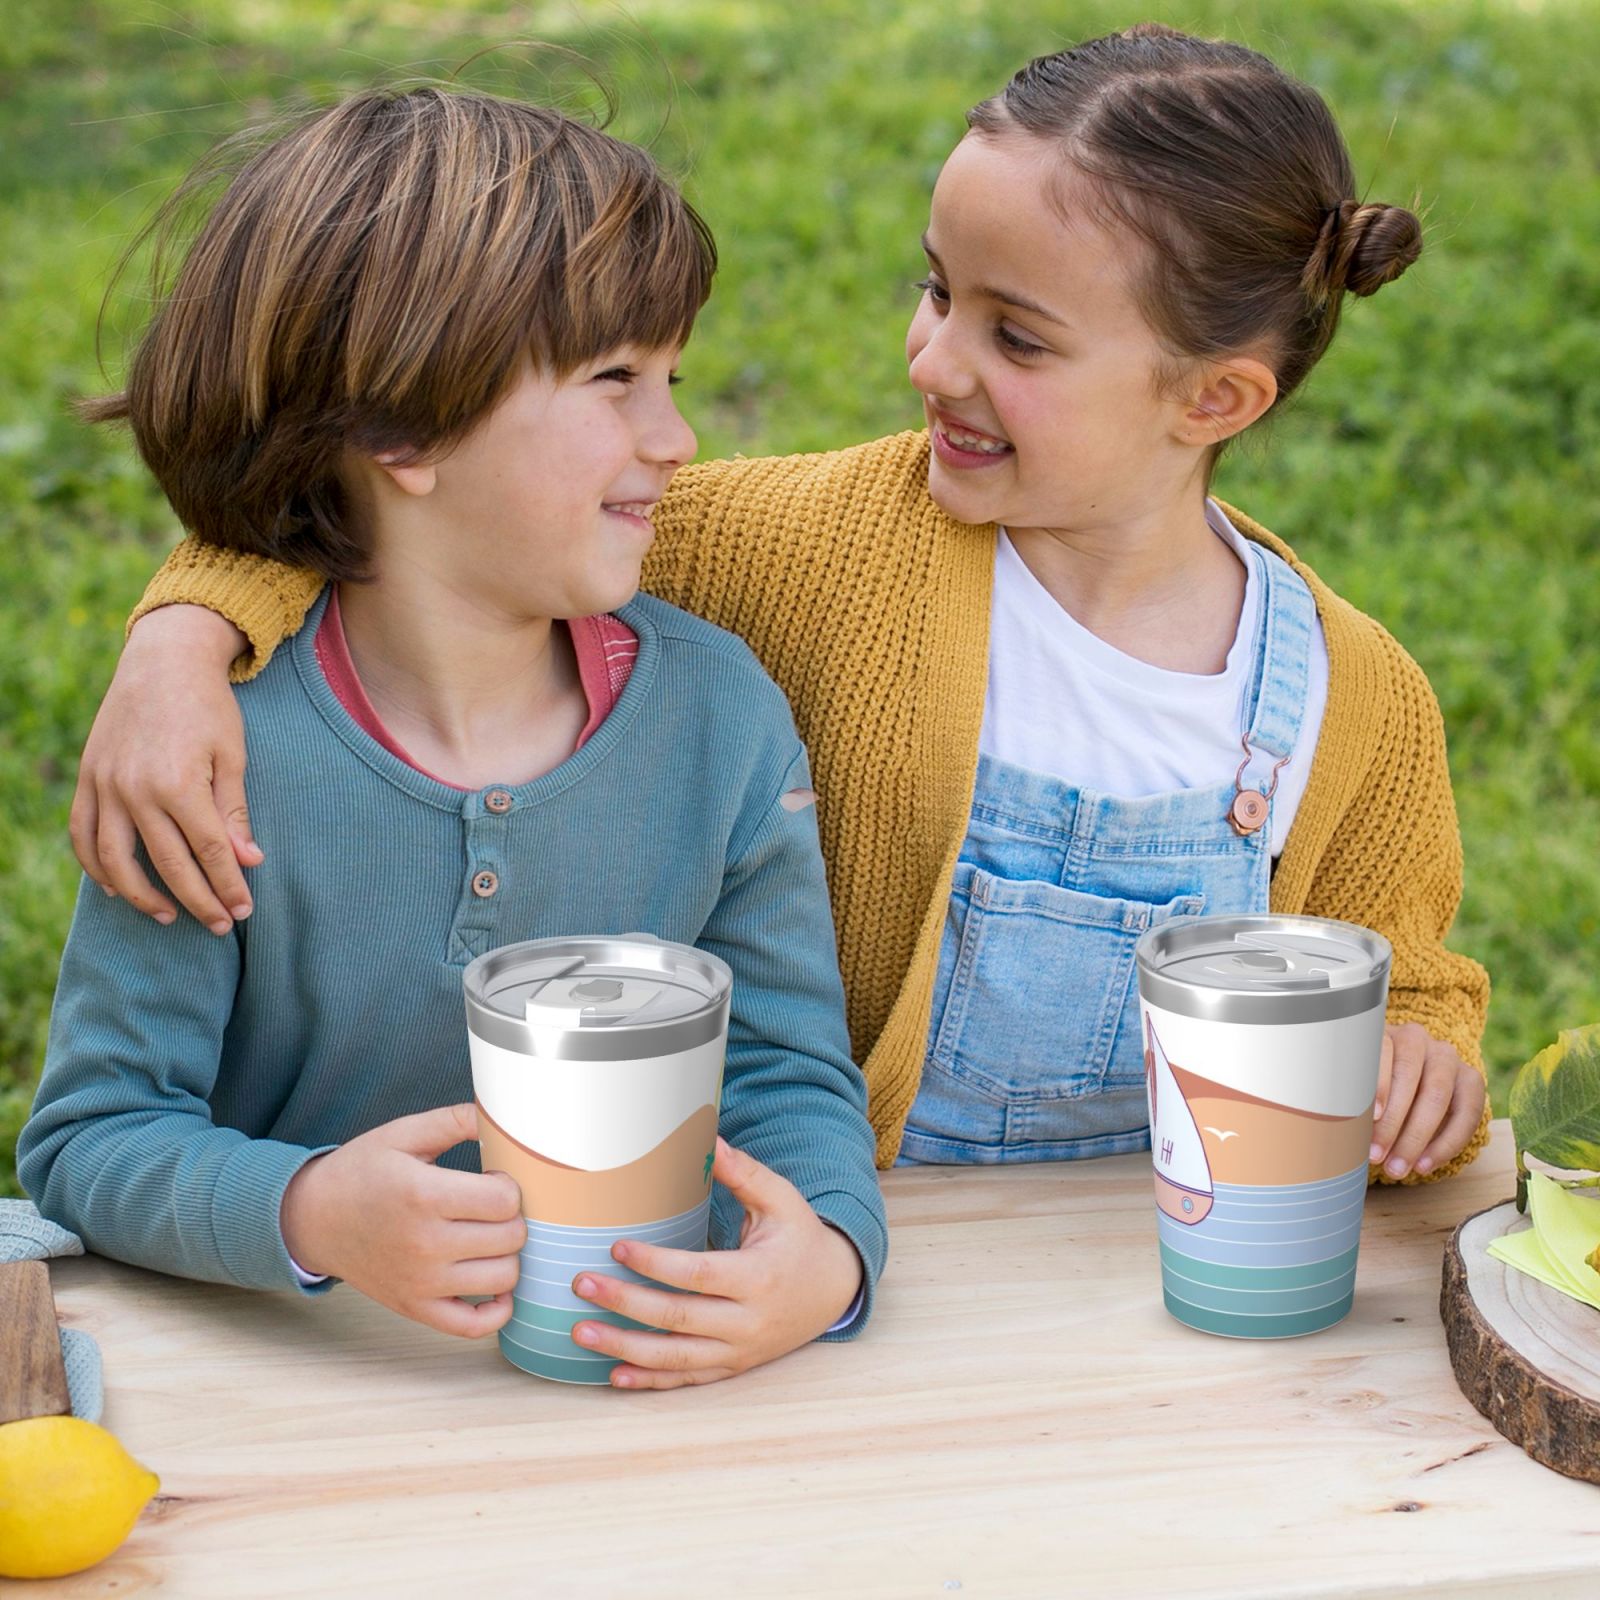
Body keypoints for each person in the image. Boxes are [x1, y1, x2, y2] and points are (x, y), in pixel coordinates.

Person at [68, 25, 1490, 1188]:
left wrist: (1421, 1054)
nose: (934, 358)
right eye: (937, 291)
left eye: (1018, 335)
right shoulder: (807, 546)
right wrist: (185, 635)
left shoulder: (1353, 698)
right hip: (849, 1249)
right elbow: (421, 506)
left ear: (1216, 398)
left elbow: (1403, 976)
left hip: (1155, 1284)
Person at [20, 86, 887, 1391]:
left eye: (673, 379)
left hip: (639, 1396)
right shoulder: (207, 757)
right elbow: (94, 1138)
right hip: (307, 1403)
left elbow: (781, 1073)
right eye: (614, 383)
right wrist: (312, 1211)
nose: (677, 438)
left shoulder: (724, 720)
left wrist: (825, 1253)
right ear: (398, 430)